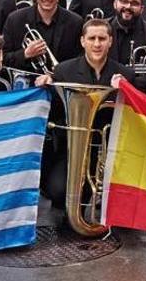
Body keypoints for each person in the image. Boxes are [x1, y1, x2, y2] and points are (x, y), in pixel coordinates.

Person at [46, 18, 136, 207]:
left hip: (107, 150)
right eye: (92, 38)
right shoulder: (63, 71)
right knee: (58, 191)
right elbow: (55, 110)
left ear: (110, 41)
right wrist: (44, 86)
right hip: (72, 149)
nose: (97, 44)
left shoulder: (125, 74)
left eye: (102, 39)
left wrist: (125, 92)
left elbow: (131, 117)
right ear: (82, 41)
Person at [2, 0, 84, 73]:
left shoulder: (75, 22)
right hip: (28, 86)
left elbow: (81, 60)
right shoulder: (15, 20)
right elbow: (2, 58)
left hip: (62, 83)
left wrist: (60, 72)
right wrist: (25, 54)